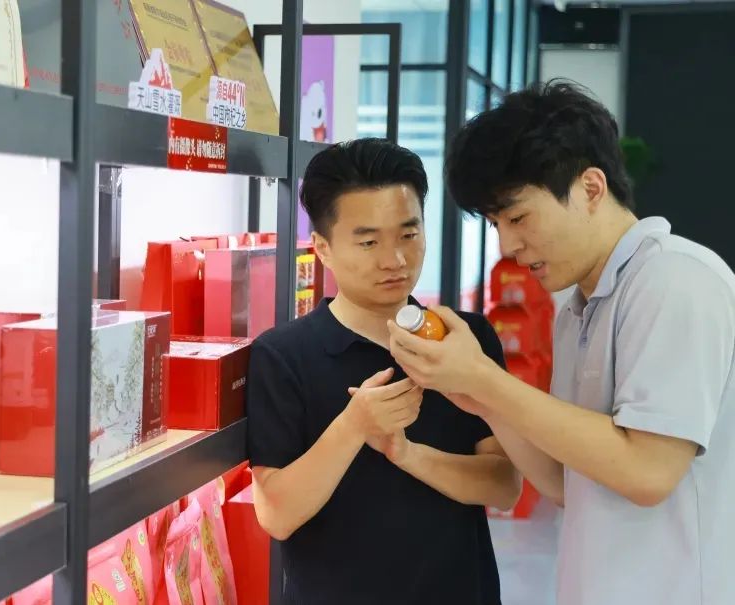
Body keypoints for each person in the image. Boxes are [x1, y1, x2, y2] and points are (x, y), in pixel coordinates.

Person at [387, 80, 735, 605]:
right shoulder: (578, 309)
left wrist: (485, 379)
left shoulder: (674, 280)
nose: (508, 244)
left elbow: (648, 471)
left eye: (518, 217)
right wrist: (479, 396)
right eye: (495, 223)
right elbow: (563, 482)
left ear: (591, 188)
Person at [246, 138, 521, 604]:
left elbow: (504, 485)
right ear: (323, 248)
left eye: (408, 235)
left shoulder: (466, 338)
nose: (394, 260)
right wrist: (354, 426)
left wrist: (407, 454)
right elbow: (277, 514)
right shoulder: (283, 354)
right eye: (369, 242)